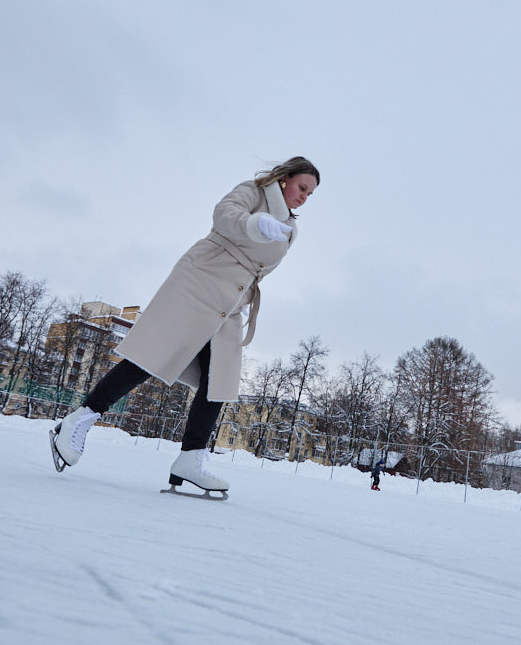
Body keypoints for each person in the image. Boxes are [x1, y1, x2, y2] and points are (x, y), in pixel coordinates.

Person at [50, 156, 321, 495]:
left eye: (310, 195)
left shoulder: (291, 227)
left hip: (231, 302)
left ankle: (191, 457)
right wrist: (253, 224)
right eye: (302, 188)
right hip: (200, 282)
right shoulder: (254, 193)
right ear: (284, 178)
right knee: (151, 356)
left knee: (219, 380)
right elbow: (225, 214)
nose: (304, 197)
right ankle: (79, 419)